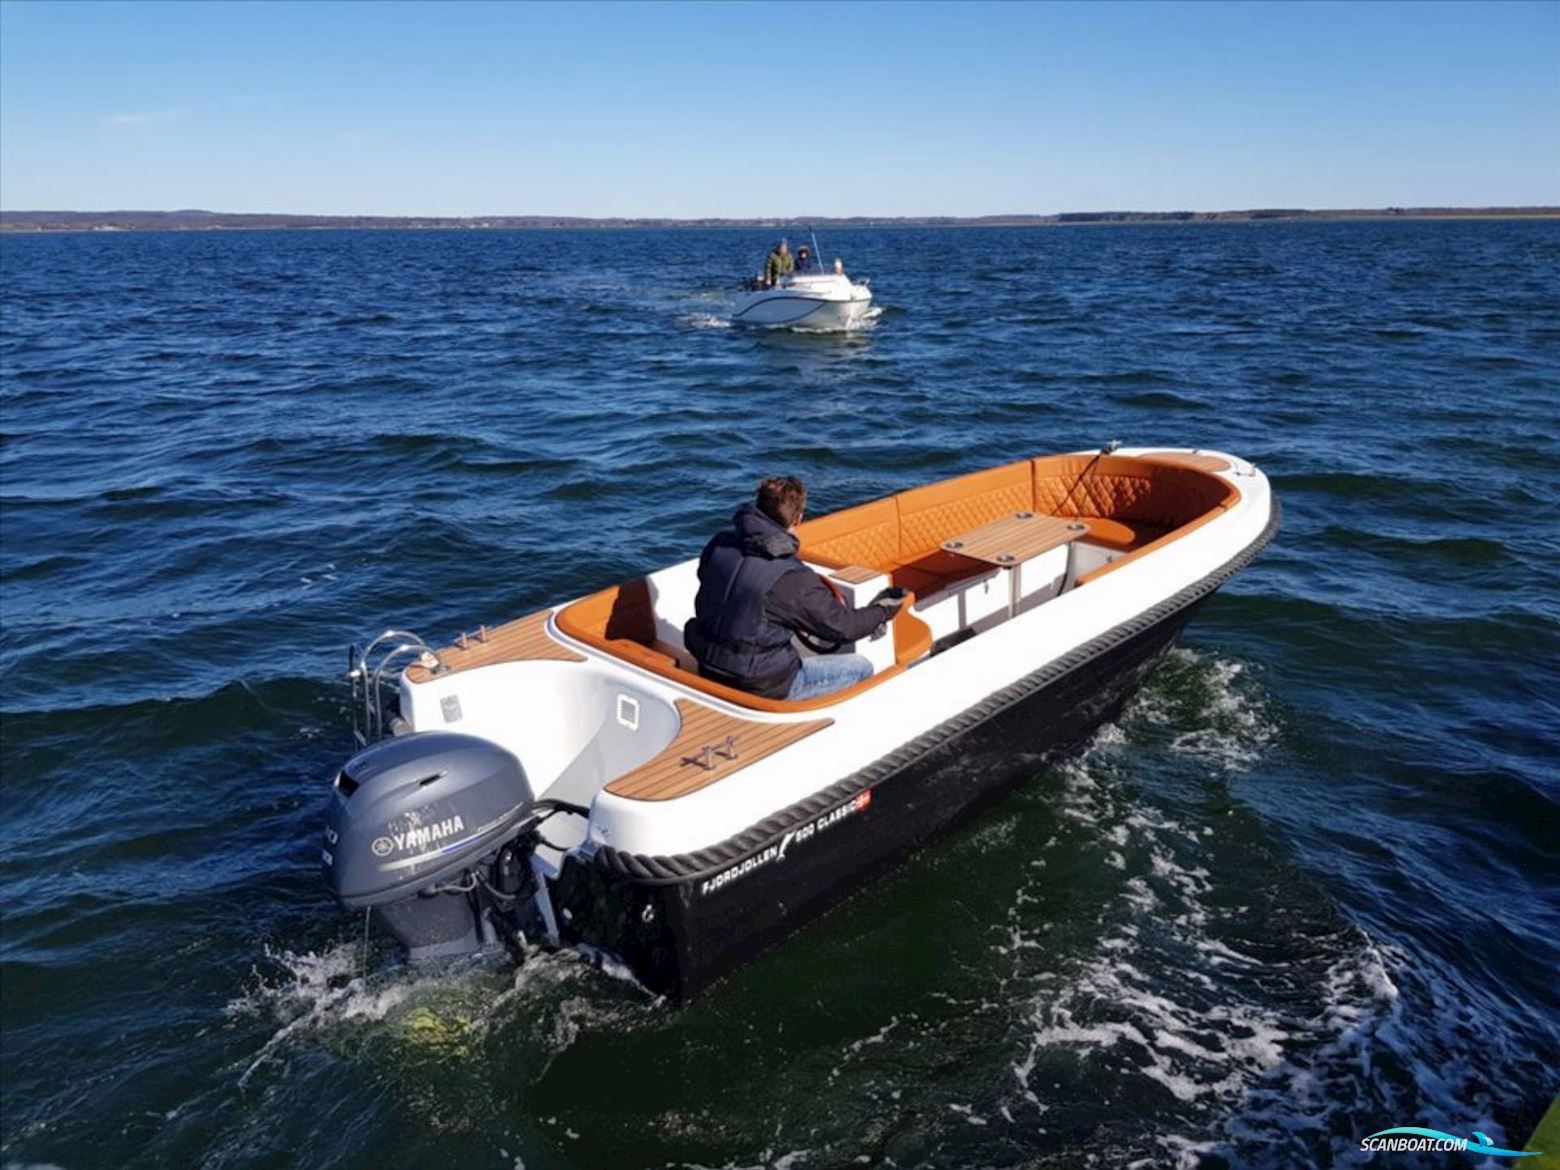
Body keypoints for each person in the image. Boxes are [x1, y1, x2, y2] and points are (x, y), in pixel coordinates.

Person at [685, 476, 905, 702]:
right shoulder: (792, 579)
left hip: (708, 663)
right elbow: (843, 627)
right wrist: (882, 611)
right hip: (760, 685)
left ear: (757, 507)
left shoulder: (719, 545)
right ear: (798, 519)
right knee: (861, 667)